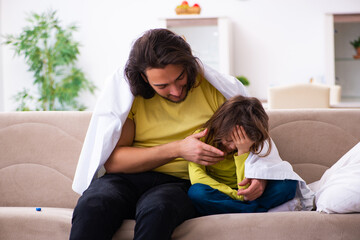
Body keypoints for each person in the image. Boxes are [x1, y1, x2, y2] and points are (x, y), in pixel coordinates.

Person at [70, 28, 313, 240]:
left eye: (180, 78)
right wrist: (178, 149)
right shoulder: (132, 97)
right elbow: (114, 162)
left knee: (158, 209)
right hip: (129, 178)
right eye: (162, 86)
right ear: (145, 78)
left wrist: (259, 175)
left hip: (182, 183)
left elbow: (251, 140)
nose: (175, 91)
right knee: (94, 203)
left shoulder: (216, 90)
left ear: (188, 66)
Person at [188, 95, 298, 215]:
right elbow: (197, 178)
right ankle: (255, 210)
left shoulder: (252, 142)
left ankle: (242, 210)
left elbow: (246, 188)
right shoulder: (202, 138)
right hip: (221, 193)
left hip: (250, 194)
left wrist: (243, 151)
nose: (232, 147)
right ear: (219, 127)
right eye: (229, 140)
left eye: (238, 144)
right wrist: (238, 196)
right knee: (196, 192)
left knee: (288, 183)